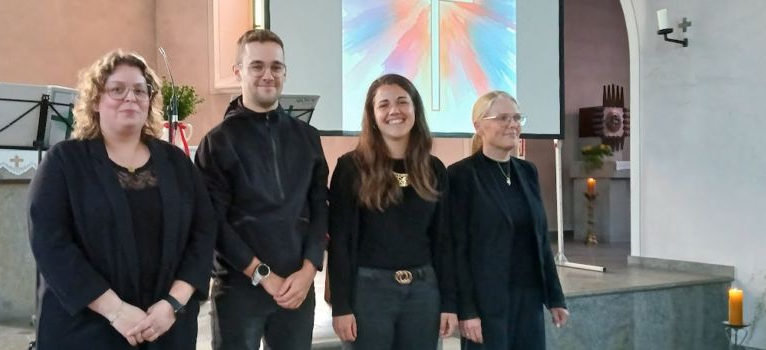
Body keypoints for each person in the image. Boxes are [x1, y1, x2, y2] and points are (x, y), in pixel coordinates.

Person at [28, 50, 216, 349]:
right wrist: (115, 311)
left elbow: (203, 234)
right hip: (87, 328)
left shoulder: (176, 163)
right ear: (95, 101)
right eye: (117, 89)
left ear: (150, 101)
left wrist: (172, 304)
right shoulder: (64, 162)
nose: (130, 97)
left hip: (165, 327)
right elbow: (51, 245)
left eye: (140, 90)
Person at [194, 29, 329, 350]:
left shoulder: (307, 137)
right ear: (238, 71)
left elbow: (320, 207)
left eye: (276, 67)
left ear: (285, 72)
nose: (267, 75)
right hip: (241, 287)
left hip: (298, 285)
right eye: (256, 66)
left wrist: (309, 270)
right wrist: (263, 274)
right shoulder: (218, 141)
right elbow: (214, 223)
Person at [327, 74, 457, 349]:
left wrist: (449, 302)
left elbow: (444, 241)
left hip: (424, 292)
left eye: (402, 102)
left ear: (415, 110)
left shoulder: (434, 169)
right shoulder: (351, 168)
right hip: (368, 293)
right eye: (383, 104)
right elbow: (340, 243)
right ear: (372, 116)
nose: (394, 110)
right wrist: (341, 306)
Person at [448, 91, 569, 350]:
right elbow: (458, 249)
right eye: (502, 118)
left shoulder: (527, 171)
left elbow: (539, 238)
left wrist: (556, 298)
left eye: (516, 118)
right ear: (478, 125)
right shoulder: (461, 175)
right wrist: (467, 311)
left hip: (530, 298)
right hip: (486, 303)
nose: (512, 124)